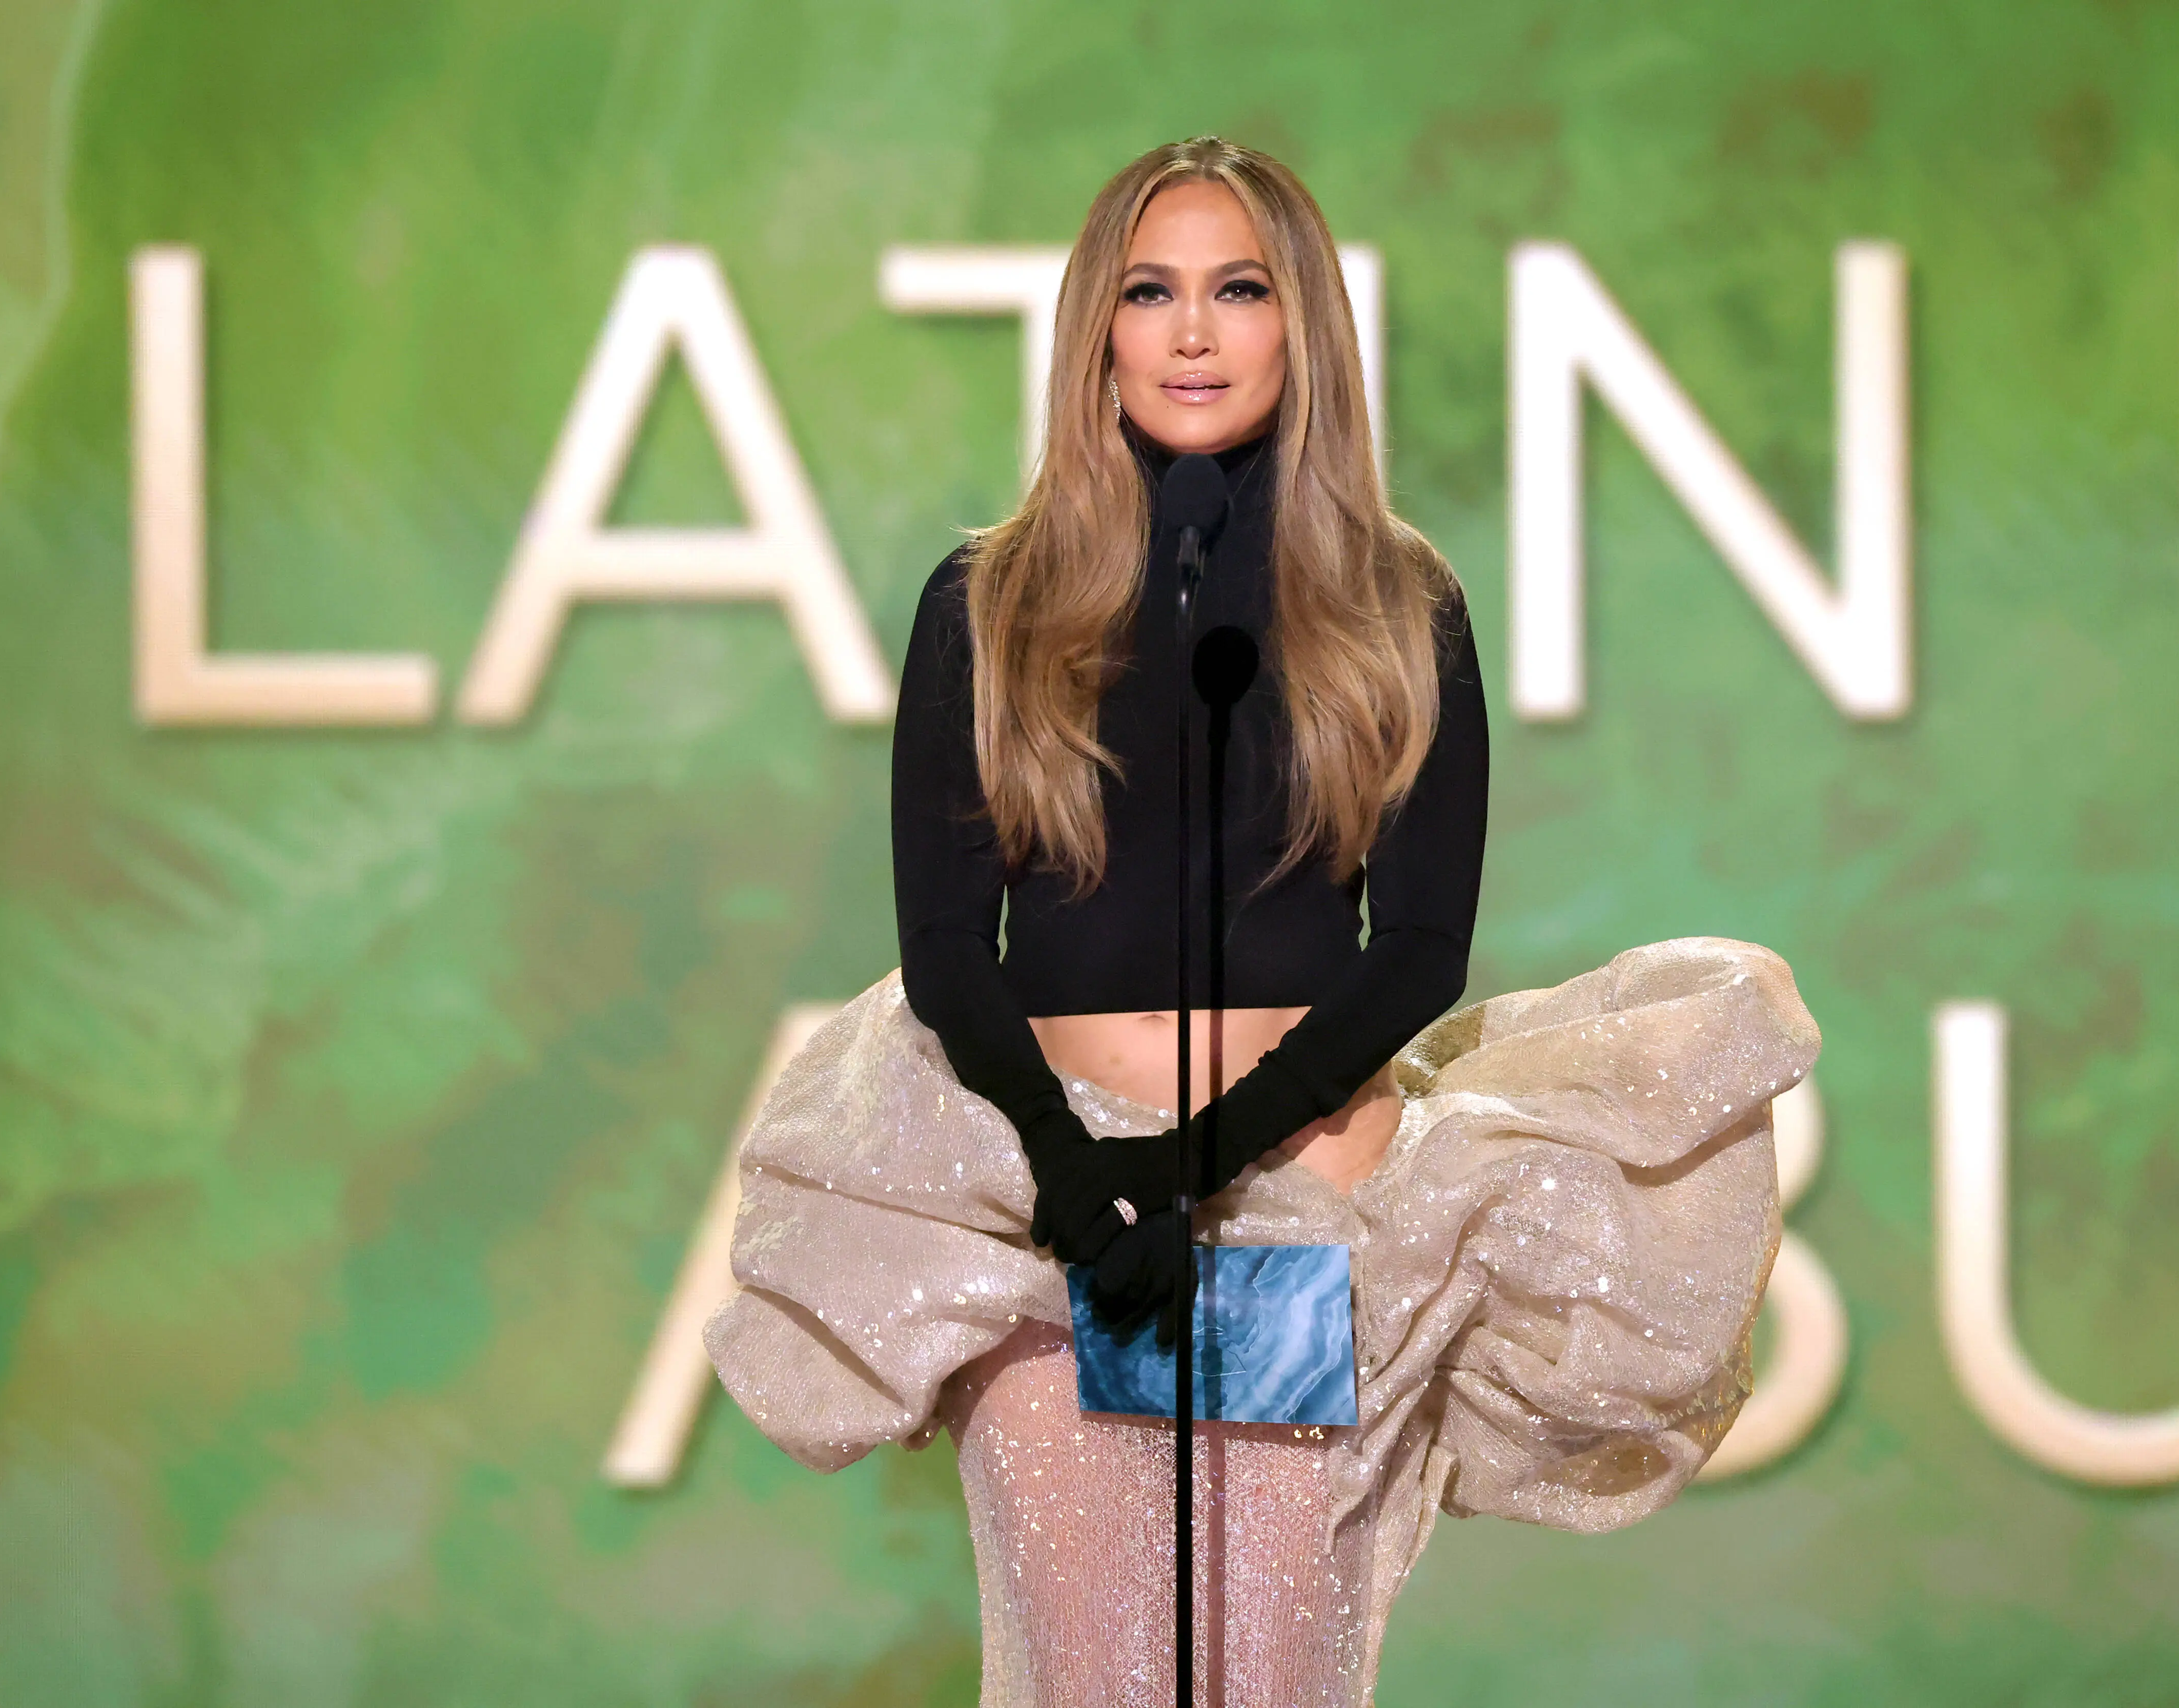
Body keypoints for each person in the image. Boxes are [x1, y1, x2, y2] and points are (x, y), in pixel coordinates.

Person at [706, 137, 1818, 1707]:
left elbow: (1420, 950)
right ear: (1098, 329)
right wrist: (1088, 1184)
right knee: (1086, 1672)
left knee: (1275, 1671)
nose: (1193, 332)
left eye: (1240, 290)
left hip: (1307, 1204)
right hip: (1059, 1228)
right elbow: (952, 950)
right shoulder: (988, 602)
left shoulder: (1398, 603)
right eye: (1150, 292)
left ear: (1303, 329)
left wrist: (1195, 1160)